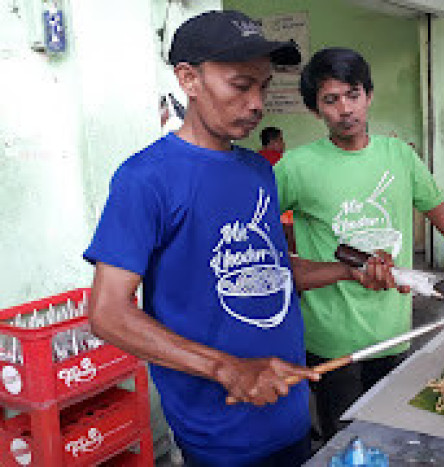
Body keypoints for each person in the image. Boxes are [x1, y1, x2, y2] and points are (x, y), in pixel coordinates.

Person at [84, 13, 403, 467]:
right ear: (188, 79)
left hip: (288, 410)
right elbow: (107, 312)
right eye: (240, 85)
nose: (257, 103)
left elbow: (271, 267)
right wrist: (226, 368)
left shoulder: (256, 171)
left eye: (264, 86)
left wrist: (349, 271)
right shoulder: (146, 179)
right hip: (219, 434)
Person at [275, 47, 444, 441]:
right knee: (344, 441)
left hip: (392, 330)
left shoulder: (400, 156)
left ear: (368, 95)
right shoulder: (296, 167)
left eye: (353, 95)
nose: (345, 109)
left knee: (389, 433)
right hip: (331, 337)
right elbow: (259, 233)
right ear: (315, 110)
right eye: (330, 100)